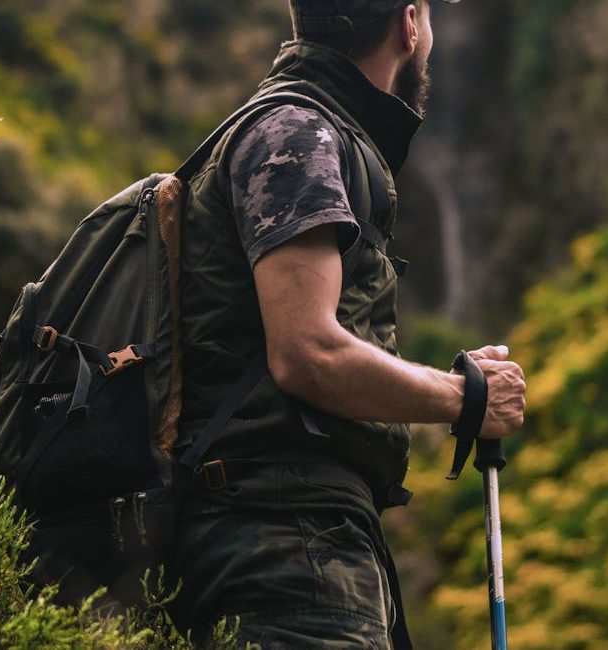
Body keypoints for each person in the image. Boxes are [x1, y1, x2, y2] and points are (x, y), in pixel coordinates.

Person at [171, 1, 526, 647]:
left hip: (296, 535)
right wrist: (464, 397)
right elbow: (306, 353)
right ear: (409, 23)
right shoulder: (298, 133)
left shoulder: (304, 127)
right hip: (284, 547)